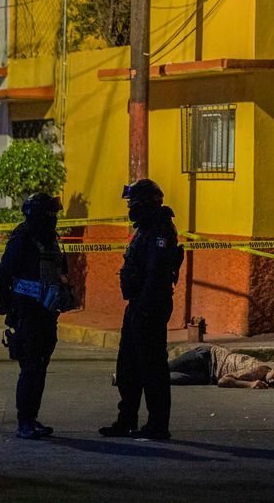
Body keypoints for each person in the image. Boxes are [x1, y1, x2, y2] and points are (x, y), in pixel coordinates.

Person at [99, 178, 184, 440]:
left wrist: (145, 308)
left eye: (134, 202)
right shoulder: (145, 228)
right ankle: (126, 420)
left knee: (151, 367)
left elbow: (156, 273)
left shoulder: (159, 230)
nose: (130, 208)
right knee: (128, 367)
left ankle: (158, 424)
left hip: (150, 305)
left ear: (147, 203)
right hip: (137, 304)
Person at [0, 192, 75, 440]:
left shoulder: (50, 239)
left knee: (41, 367)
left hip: (47, 312)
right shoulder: (22, 239)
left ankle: (33, 417)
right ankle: (24, 421)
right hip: (27, 313)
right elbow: (3, 274)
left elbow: (59, 271)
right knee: (30, 368)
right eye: (50, 214)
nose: (54, 218)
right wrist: (6, 305)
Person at [167, 344, 274, 389]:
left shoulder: (263, 380)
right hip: (206, 357)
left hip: (208, 375)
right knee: (166, 367)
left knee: (166, 378)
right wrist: (249, 384)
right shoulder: (257, 371)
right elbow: (223, 381)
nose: (272, 381)